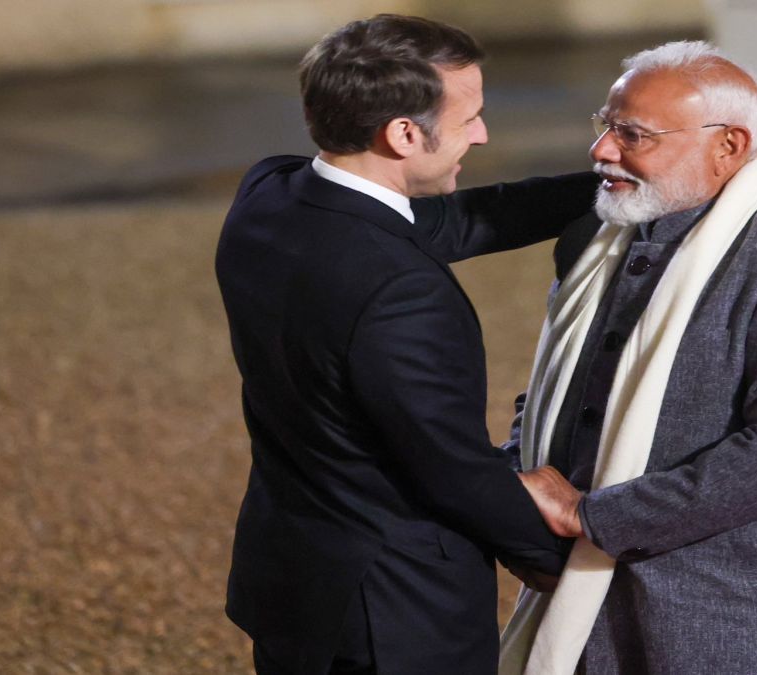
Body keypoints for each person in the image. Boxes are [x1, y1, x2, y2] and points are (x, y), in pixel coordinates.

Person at [214, 15, 596, 675]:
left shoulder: (269, 194)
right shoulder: (401, 292)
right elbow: (453, 469)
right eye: (469, 118)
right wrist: (566, 559)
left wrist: (610, 187)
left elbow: (453, 220)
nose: (482, 133)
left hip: (292, 582)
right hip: (394, 619)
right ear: (403, 134)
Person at [502, 41, 757, 674]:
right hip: (583, 586)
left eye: (633, 135)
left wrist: (588, 515)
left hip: (725, 607)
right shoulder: (597, 235)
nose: (602, 152)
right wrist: (517, 479)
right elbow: (556, 386)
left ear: (728, 146)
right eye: (606, 126)